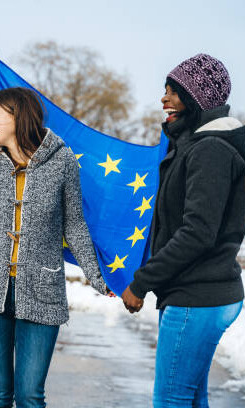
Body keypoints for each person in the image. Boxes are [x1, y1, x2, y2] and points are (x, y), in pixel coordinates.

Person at [0, 86, 110, 407]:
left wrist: (96, 276)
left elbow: (74, 224)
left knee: (30, 396)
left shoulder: (62, 161)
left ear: (17, 115)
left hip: (42, 289)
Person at [121, 54, 244, 407]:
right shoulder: (197, 145)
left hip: (198, 296)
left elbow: (198, 232)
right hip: (199, 293)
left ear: (198, 99)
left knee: (171, 400)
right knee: (190, 399)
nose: (164, 99)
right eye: (165, 90)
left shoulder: (210, 150)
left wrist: (142, 281)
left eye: (174, 91)